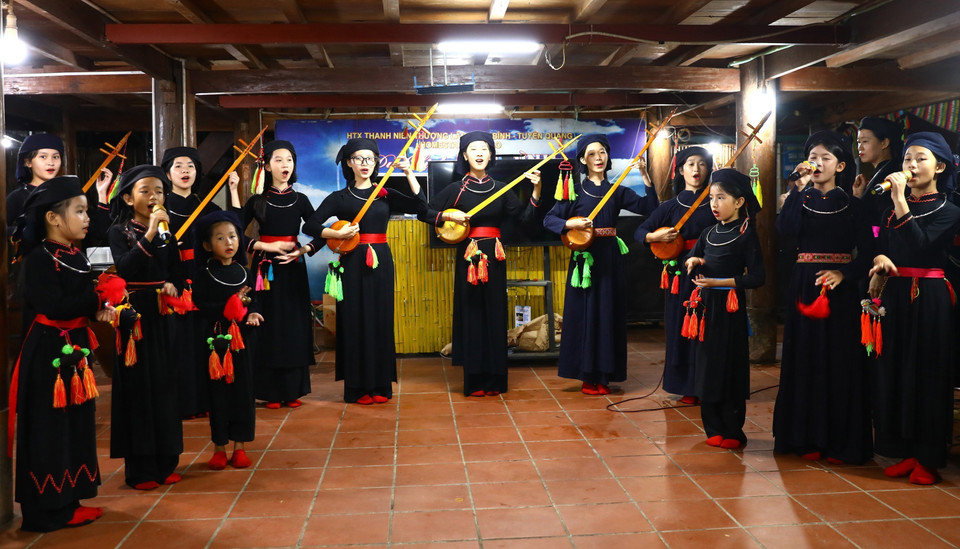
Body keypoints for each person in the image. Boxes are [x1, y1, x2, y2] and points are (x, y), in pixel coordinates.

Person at [10, 176, 115, 531]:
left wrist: (99, 308)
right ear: (53, 218)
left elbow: (79, 302)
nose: (87, 219)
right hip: (48, 354)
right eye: (80, 211)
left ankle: (69, 500)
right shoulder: (38, 258)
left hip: (74, 348)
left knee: (75, 423)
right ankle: (46, 510)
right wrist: (98, 298)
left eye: (86, 211)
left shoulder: (73, 254)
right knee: (50, 427)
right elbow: (54, 306)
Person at [773, 131, 874, 464]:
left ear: (840, 165)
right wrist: (796, 188)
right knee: (804, 357)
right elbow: (785, 233)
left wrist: (844, 274)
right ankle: (804, 438)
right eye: (812, 157)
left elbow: (869, 252)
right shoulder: (799, 200)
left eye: (825, 158)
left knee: (839, 360)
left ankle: (839, 442)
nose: (816, 163)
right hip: (804, 284)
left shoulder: (854, 206)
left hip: (841, 291)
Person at [302, 138, 428, 404]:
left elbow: (421, 207)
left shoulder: (385, 193)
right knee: (354, 320)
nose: (365, 163)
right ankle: (357, 388)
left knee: (381, 318)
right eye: (358, 158)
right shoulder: (339, 198)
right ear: (349, 162)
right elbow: (310, 225)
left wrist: (408, 173)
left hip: (381, 261)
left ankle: (380, 385)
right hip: (352, 262)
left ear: (376, 162)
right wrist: (336, 233)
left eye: (370, 158)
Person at [868, 131, 960, 485]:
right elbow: (881, 242)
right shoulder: (890, 210)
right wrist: (879, 258)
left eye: (921, 159)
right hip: (895, 293)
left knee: (927, 374)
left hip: (930, 296)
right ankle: (905, 450)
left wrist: (899, 200)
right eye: (907, 158)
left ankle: (928, 457)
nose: (912, 165)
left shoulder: (950, 210)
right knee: (896, 370)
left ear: (939, 167)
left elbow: (921, 246)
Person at [423, 131, 542, 396]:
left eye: (484, 149)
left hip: (495, 257)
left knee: (495, 314)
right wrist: (448, 217)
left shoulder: (501, 188)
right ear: (464, 155)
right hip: (469, 256)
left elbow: (525, 220)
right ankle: (475, 380)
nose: (479, 153)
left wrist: (536, 190)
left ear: (490, 155)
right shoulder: (456, 189)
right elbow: (426, 212)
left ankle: (496, 380)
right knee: (472, 314)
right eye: (473, 149)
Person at [543, 134, 659, 394]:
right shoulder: (574, 191)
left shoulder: (617, 190)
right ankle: (587, 376)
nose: (598, 158)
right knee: (585, 315)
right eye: (592, 154)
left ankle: (605, 376)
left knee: (608, 314)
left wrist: (644, 175)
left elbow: (651, 207)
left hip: (610, 258)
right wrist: (570, 223)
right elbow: (549, 220)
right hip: (585, 261)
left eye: (603, 152)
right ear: (583, 160)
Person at [108, 165, 185, 490]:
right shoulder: (119, 232)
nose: (154, 197)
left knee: (165, 385)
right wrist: (150, 234)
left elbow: (177, 272)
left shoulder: (168, 231)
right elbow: (125, 269)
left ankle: (167, 461)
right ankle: (140, 469)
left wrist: (173, 285)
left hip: (163, 313)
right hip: (134, 317)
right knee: (139, 388)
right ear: (128, 198)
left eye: (159, 191)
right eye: (146, 191)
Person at [683, 168, 765, 450]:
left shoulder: (746, 234)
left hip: (730, 308)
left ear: (739, 202)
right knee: (707, 366)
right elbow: (693, 259)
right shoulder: (707, 233)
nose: (714, 204)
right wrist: (694, 261)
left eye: (721, 198)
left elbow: (758, 277)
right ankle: (713, 427)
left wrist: (720, 282)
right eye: (711, 198)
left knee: (730, 365)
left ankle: (732, 429)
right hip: (705, 309)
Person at [160, 147, 241, 419]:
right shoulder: (160, 209)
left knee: (204, 339)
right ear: (168, 173)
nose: (185, 171)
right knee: (178, 343)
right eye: (179, 166)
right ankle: (183, 403)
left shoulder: (207, 207)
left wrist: (233, 191)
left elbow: (234, 228)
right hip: (173, 280)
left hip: (205, 280)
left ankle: (206, 400)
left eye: (191, 166)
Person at [240, 140, 318, 409]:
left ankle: (293, 390)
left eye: (289, 160)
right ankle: (270, 392)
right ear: (266, 166)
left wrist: (303, 250)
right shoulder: (257, 201)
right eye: (279, 160)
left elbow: (319, 231)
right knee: (269, 325)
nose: (285, 165)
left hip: (293, 268)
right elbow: (234, 232)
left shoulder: (301, 199)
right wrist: (264, 246)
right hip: (264, 270)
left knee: (294, 324)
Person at [635, 146, 715, 403]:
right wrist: (654, 236)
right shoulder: (671, 206)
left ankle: (709, 384)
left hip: (711, 270)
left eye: (702, 164)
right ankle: (687, 386)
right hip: (681, 273)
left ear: (708, 169)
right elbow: (640, 231)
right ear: (680, 170)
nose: (696, 169)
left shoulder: (716, 201)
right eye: (690, 164)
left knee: (710, 328)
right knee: (682, 326)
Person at [192, 211, 261, 469]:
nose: (229, 242)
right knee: (218, 394)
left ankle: (239, 447)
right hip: (215, 342)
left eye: (232, 236)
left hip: (242, 341)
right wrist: (230, 306)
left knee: (243, 392)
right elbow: (201, 304)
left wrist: (252, 312)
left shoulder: (245, 272)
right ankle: (219, 447)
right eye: (220, 238)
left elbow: (254, 301)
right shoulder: (203, 274)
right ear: (207, 245)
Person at [8, 134, 113, 242]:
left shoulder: (68, 195)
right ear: (28, 162)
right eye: (43, 157)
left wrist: (101, 193)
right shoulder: (17, 197)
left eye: (55, 157)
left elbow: (101, 231)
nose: (51, 163)